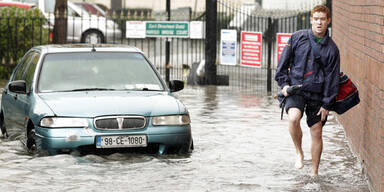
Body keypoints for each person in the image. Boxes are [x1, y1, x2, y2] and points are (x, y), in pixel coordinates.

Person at [275, 5, 340, 176]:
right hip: (296, 89)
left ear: (328, 21)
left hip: (317, 94)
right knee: (294, 118)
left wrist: (326, 104)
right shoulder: (297, 38)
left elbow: (333, 79)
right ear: (311, 19)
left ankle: (315, 173)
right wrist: (284, 86)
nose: (319, 22)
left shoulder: (332, 49)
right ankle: (299, 152)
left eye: (323, 19)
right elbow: (282, 66)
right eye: (316, 18)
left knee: (317, 131)